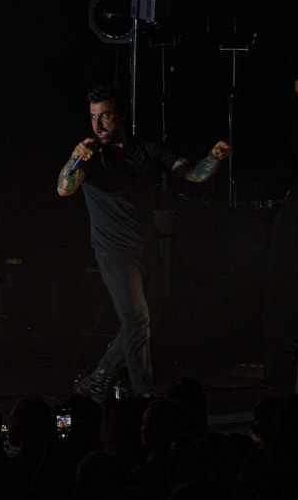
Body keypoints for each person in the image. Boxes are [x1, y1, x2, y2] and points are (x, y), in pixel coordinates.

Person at [57, 85, 231, 399]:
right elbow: (64, 189)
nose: (98, 125)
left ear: (121, 117)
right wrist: (73, 159)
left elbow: (193, 173)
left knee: (145, 324)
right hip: (115, 253)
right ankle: (144, 395)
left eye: (105, 116)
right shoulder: (91, 156)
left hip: (149, 249)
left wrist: (214, 158)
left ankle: (99, 378)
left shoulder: (146, 149)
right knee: (137, 322)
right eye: (93, 117)